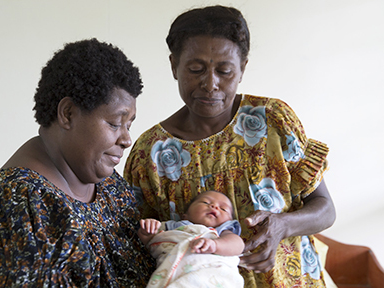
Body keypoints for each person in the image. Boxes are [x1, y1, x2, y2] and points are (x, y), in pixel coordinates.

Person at [124, 5, 336, 287]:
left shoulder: (273, 121)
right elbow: (141, 244)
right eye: (196, 69)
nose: (210, 84)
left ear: (242, 68)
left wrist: (283, 225)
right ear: (174, 66)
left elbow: (325, 208)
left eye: (224, 70)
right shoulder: (150, 154)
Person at [0, 38, 155, 287]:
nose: (126, 139)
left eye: (129, 125)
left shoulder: (110, 187)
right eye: (114, 123)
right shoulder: (15, 204)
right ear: (67, 113)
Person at [139, 190, 245, 287]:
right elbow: (149, 243)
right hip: (175, 273)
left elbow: (238, 245)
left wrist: (215, 245)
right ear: (185, 215)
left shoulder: (222, 231)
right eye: (205, 202)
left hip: (214, 273)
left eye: (223, 209)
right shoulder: (172, 226)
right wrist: (147, 230)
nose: (215, 206)